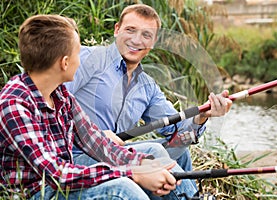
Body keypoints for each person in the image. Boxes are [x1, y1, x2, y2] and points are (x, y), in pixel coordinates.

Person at [0, 14, 197, 200]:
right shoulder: (15, 104)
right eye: (78, 53)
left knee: (152, 161)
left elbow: (97, 143)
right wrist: (132, 173)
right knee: (122, 190)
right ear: (65, 63)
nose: (82, 59)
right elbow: (57, 173)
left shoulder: (61, 95)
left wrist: (143, 163)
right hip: (39, 192)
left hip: (62, 183)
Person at [65, 4, 232, 175]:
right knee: (154, 152)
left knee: (181, 152)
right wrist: (93, 135)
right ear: (117, 30)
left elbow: (178, 132)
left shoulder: (147, 87)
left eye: (146, 35)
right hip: (77, 157)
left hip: (116, 157)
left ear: (153, 42)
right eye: (130, 30)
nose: (137, 40)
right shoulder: (87, 59)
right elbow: (51, 105)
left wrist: (201, 116)